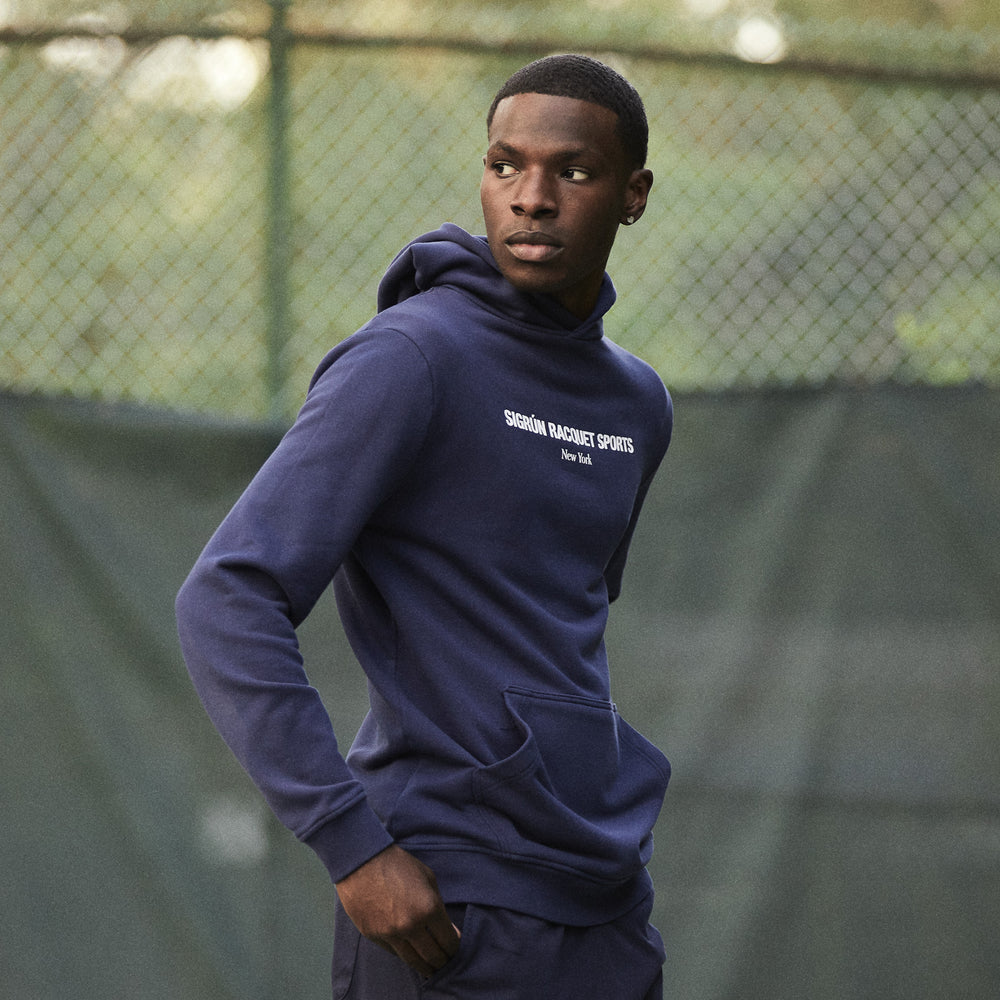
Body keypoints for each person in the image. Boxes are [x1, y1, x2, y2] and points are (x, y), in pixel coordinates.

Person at [177, 53, 673, 999]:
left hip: (605, 903)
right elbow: (226, 596)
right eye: (504, 165)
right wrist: (352, 846)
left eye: (573, 171)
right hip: (450, 902)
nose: (531, 198)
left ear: (633, 195)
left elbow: (555, 624)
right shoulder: (411, 358)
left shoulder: (638, 403)